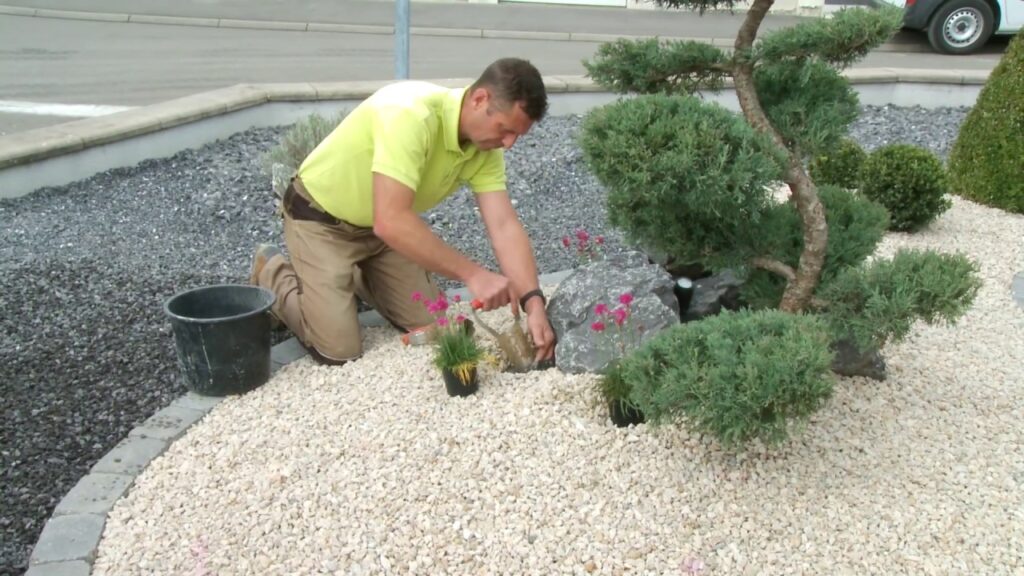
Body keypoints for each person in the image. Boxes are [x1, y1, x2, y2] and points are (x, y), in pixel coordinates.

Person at [250, 57, 556, 367]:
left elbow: (504, 226)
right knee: (338, 351)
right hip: (320, 220)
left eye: (517, 135)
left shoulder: (484, 148)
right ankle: (270, 272)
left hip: (381, 230)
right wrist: (473, 274)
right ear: (479, 99)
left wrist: (534, 302)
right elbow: (391, 220)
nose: (508, 144)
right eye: (505, 130)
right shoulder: (410, 115)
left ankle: (350, 275)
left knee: (435, 323)